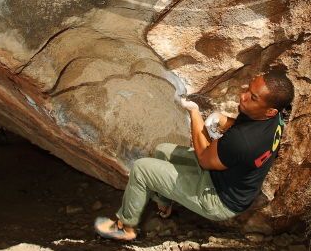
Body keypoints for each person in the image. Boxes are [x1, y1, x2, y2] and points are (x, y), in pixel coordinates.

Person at [94, 68, 295, 241]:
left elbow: (204, 159)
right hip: (229, 177)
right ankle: (164, 205)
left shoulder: (243, 141)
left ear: (269, 111)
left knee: (141, 169)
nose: (243, 96)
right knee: (162, 150)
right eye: (248, 89)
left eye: (253, 97)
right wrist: (224, 120)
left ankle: (125, 228)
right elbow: (244, 131)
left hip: (218, 198)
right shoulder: (275, 119)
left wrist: (195, 113)